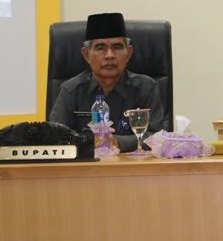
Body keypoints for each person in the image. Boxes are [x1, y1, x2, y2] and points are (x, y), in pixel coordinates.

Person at [49, 12, 165, 152]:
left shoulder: (146, 89)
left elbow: (156, 138)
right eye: (100, 48)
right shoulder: (71, 90)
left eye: (117, 47)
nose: (109, 55)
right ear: (86, 55)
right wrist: (88, 142)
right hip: (85, 165)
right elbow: (55, 138)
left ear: (129, 53)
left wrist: (118, 142)